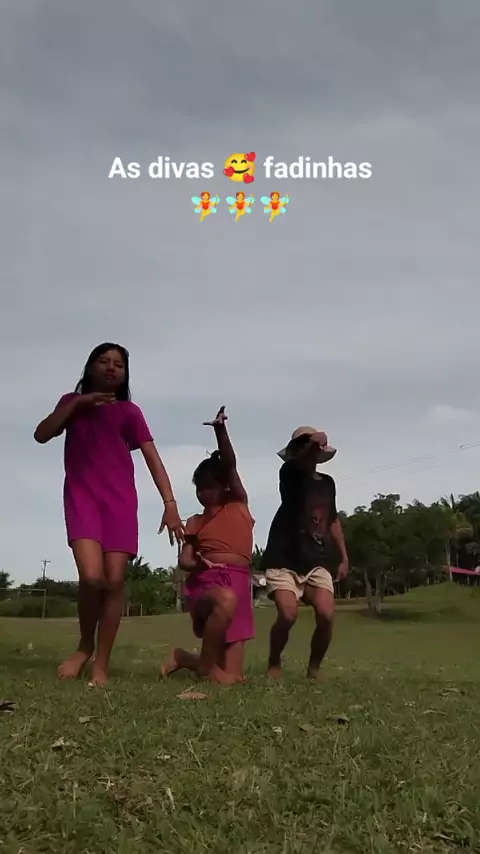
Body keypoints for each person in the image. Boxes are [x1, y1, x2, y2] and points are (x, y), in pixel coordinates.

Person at [34, 342, 183, 685]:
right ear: (90, 367)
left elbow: (152, 457)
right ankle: (84, 646)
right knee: (91, 577)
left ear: (125, 374)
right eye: (104, 361)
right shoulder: (71, 403)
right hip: (82, 497)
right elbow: (42, 435)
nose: (112, 367)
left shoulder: (130, 412)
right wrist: (78, 404)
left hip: (120, 502)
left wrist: (170, 504)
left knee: (114, 581)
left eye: (119, 363)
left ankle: (101, 662)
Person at [161, 406, 254, 684]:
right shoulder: (195, 521)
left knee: (232, 679)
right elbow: (185, 560)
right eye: (199, 488)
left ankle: (185, 658)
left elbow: (230, 465)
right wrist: (199, 563)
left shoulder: (237, 504)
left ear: (224, 486)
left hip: (240, 582)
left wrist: (220, 431)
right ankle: (204, 665)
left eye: (210, 487)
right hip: (208, 584)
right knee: (225, 600)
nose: (203, 493)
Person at [260, 426, 349, 679]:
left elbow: (332, 520)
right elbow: (300, 460)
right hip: (284, 557)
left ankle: (314, 668)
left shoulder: (327, 483)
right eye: (303, 445)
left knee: (326, 615)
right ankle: (274, 661)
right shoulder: (289, 473)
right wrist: (313, 442)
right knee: (288, 614)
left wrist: (344, 556)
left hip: (316, 559)